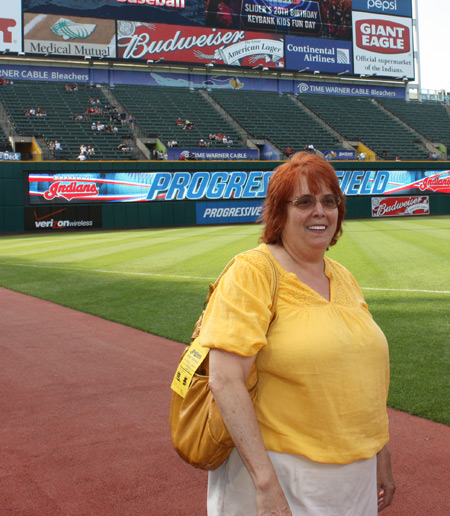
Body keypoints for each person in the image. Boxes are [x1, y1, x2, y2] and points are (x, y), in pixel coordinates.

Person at [198, 152, 396, 516]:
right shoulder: (253, 271)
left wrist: (380, 453)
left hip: (354, 477)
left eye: (329, 201)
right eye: (304, 202)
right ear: (279, 212)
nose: (319, 211)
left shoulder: (343, 277)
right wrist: (265, 482)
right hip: (281, 473)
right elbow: (225, 380)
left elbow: (364, 376)